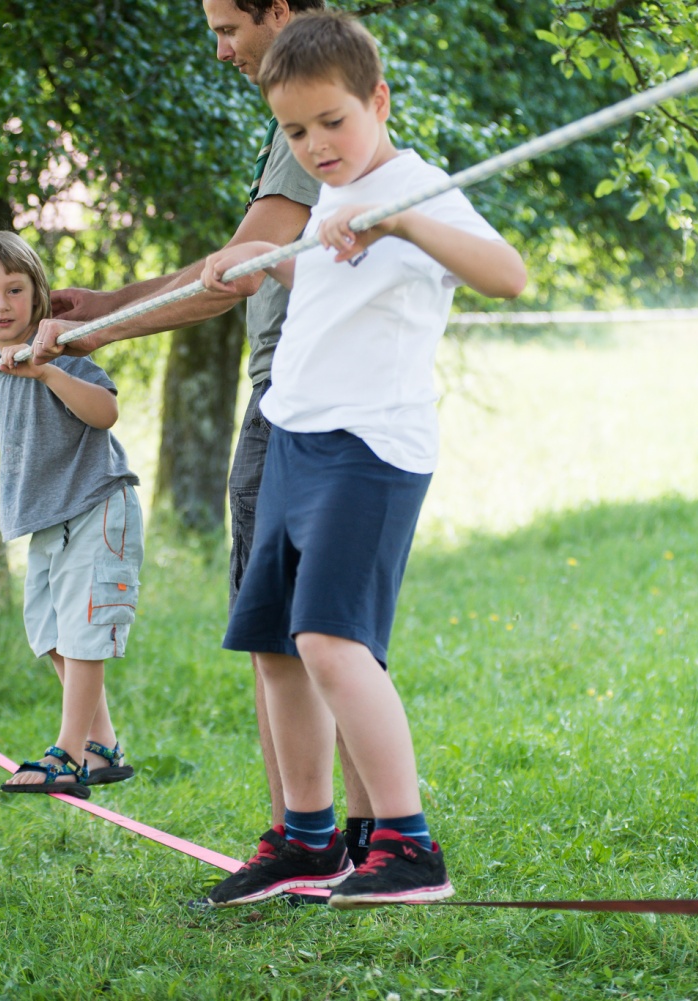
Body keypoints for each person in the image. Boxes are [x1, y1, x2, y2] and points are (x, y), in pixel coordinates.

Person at [33, 0, 379, 864]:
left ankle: (311, 843)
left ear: (283, 11)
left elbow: (233, 272)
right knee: (318, 631)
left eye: (229, 26)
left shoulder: (315, 112)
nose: (221, 49)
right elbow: (237, 259)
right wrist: (111, 303)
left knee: (286, 633)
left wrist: (90, 335)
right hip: (306, 395)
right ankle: (360, 840)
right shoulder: (316, 114)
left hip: (294, 399)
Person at [196, 12, 527, 907]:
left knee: (332, 642)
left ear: (377, 100)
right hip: (298, 437)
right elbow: (343, 287)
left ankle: (408, 842)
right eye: (297, 132)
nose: (317, 145)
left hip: (369, 449)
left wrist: (408, 224)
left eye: (333, 123)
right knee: (275, 645)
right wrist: (273, 263)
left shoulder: (416, 185)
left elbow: (508, 274)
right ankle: (308, 839)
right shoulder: (332, 193)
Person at [0, 231, 145, 800]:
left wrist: (45, 371)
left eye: (15, 290)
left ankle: (67, 753)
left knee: (83, 633)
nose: (3, 305)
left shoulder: (66, 351)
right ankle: (102, 744)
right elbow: (31, 423)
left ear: (38, 296)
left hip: (94, 506)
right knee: (51, 633)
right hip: (46, 519)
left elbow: (103, 412)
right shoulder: (3, 364)